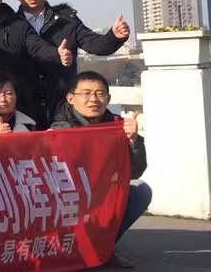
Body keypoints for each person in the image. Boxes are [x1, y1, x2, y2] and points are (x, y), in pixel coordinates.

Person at [50, 71, 150, 260]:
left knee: (140, 191)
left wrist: (133, 141)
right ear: (71, 98)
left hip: (101, 192)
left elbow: (135, 172)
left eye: (100, 93)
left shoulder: (117, 126)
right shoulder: (60, 129)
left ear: (108, 98)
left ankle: (103, 246)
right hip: (69, 197)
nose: (93, 99)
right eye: (86, 93)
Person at [13, 0, 130, 128]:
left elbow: (96, 45)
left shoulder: (66, 21)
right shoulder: (11, 24)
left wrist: (114, 36)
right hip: (23, 104)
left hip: (62, 104)